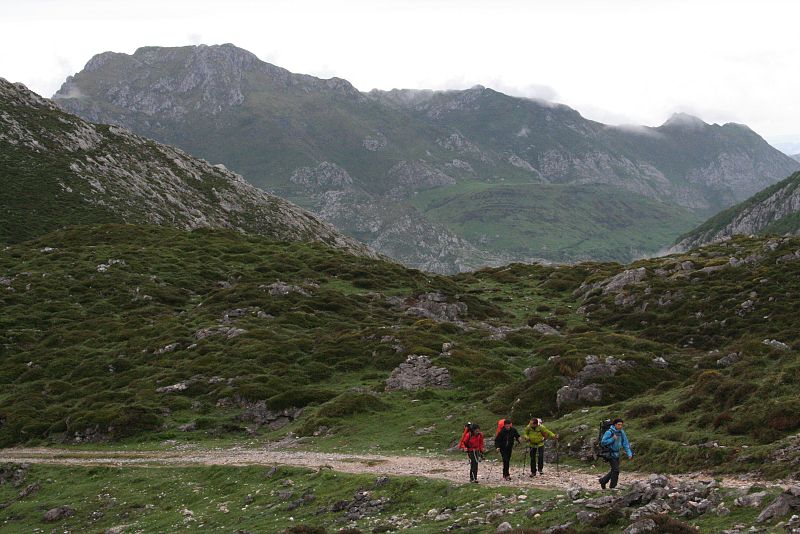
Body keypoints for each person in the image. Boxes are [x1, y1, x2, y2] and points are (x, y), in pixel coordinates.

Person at [598, 418, 633, 489]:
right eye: (618, 425)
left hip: (617, 454)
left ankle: (603, 481)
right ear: (614, 425)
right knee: (616, 470)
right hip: (610, 454)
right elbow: (603, 442)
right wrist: (612, 439)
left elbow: (625, 443)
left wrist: (629, 454)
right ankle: (612, 487)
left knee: (614, 470)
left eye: (621, 425)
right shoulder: (609, 432)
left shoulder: (621, 432)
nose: (620, 426)